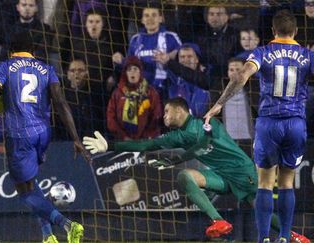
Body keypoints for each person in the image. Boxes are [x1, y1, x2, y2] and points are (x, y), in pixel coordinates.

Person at [83, 97, 310, 243]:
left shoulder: (206, 123)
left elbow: (203, 143)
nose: (164, 116)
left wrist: (178, 158)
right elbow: (145, 145)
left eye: (167, 112)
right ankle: (218, 221)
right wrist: (111, 146)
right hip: (221, 177)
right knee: (184, 177)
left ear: (180, 111)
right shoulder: (178, 136)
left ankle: (294, 236)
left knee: (260, 210)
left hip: (242, 172)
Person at [204, 10, 314, 243]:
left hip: (268, 123)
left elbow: (241, 76)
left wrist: (219, 104)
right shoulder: (307, 55)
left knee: (264, 183)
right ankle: (284, 237)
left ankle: (264, 237)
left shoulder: (262, 52)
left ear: (273, 31)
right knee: (286, 182)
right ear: (295, 31)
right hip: (295, 123)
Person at [0, 31, 91, 243]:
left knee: (25, 192)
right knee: (31, 184)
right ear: (34, 51)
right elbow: (61, 103)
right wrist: (76, 138)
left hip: (19, 135)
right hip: (43, 134)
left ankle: (67, 225)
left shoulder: (6, 67)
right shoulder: (47, 69)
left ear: (10, 51)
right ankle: (47, 236)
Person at [112, 3, 182, 99]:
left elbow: (181, 54)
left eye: (154, 15)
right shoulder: (135, 39)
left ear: (161, 18)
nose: (150, 19)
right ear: (142, 20)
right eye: (146, 15)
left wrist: (169, 56)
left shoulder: (170, 36)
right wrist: (120, 61)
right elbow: (130, 64)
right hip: (142, 92)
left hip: (166, 90)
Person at [106, 56, 162, 140]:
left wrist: (146, 137)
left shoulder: (150, 92)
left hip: (147, 142)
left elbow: (156, 117)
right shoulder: (117, 93)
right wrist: (124, 137)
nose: (132, 72)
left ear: (140, 72)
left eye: (135, 69)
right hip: (123, 142)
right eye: (129, 70)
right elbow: (111, 118)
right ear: (125, 73)